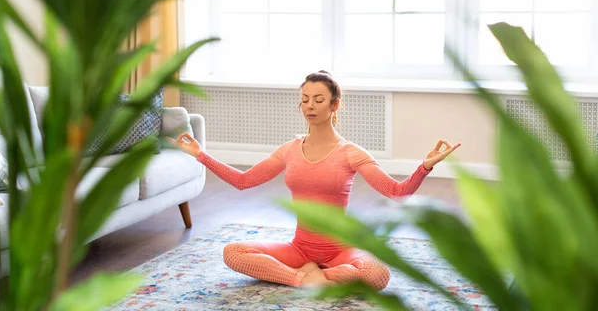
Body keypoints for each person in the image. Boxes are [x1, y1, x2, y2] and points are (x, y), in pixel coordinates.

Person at [168, 70, 461, 291]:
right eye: (305, 100)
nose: (310, 106)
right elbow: (244, 181)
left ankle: (314, 276)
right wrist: (201, 155)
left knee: (377, 274)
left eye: (318, 100)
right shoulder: (290, 149)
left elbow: (396, 191)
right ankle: (305, 279)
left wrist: (424, 167)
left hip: (341, 250)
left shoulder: (351, 153)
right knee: (233, 253)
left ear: (334, 105)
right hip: (299, 248)